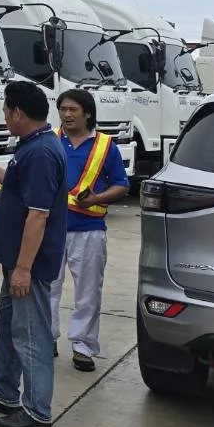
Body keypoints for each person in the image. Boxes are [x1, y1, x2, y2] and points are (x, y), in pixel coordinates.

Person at [0, 81, 66, 427]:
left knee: (30, 333)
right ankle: (4, 392)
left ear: (18, 112)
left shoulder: (41, 153)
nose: (4, 117)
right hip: (15, 261)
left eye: (6, 111)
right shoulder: (33, 146)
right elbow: (17, 184)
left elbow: (38, 214)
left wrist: (23, 269)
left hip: (28, 266)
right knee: (7, 325)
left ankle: (37, 411)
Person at [50, 88, 130, 372]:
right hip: (51, 228)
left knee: (87, 293)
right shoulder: (50, 140)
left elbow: (121, 184)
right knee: (48, 288)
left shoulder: (106, 146)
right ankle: (47, 338)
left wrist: (96, 198)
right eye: (63, 109)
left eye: (73, 110)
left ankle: (83, 346)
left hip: (89, 229)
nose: (67, 114)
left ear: (88, 114)